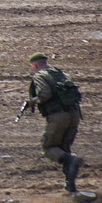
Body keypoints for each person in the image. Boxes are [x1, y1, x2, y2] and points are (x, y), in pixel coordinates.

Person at [24, 52, 85, 194]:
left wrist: (31, 101)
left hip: (58, 116)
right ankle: (70, 185)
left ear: (35, 65)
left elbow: (44, 95)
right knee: (64, 149)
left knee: (49, 147)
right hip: (74, 114)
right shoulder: (61, 73)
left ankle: (72, 162)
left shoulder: (40, 75)